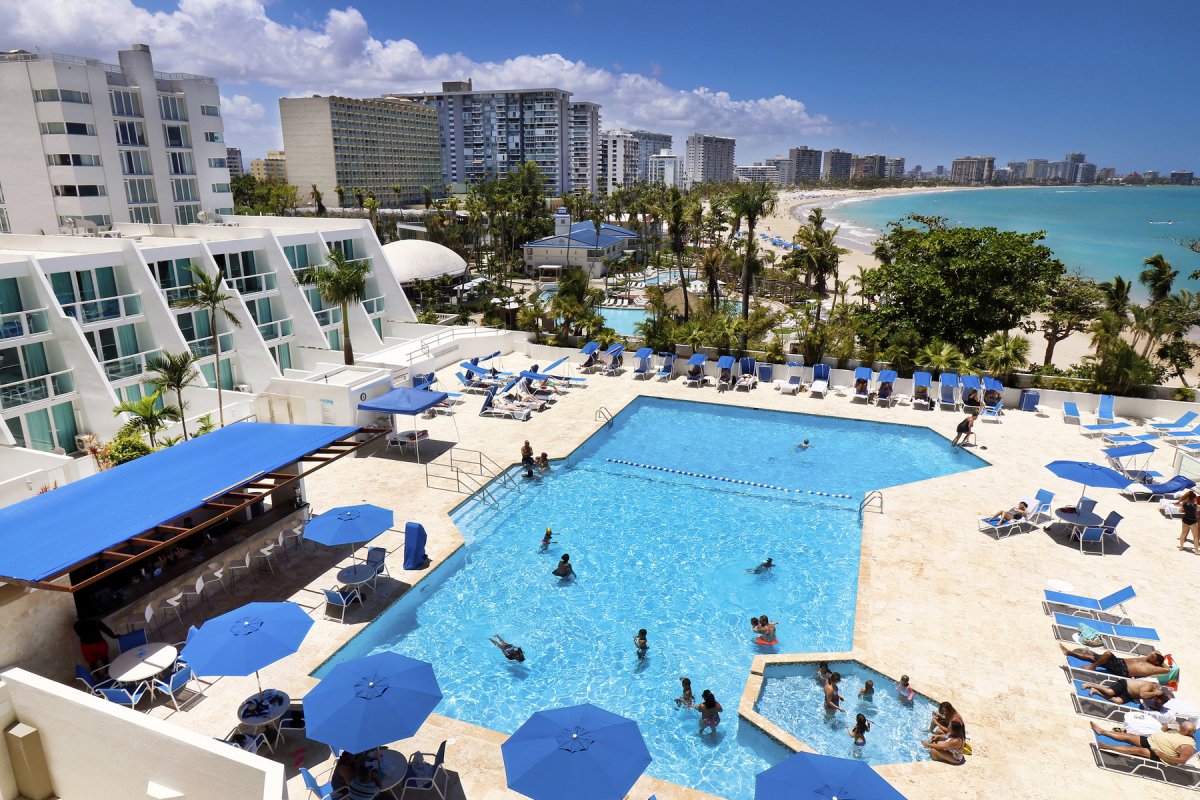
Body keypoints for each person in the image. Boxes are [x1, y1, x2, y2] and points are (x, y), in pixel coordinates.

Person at [1091, 720, 1197, 764]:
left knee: (1136, 750)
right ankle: (1102, 731)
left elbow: (1182, 761)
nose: (1180, 728)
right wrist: (1170, 724)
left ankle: (1106, 747)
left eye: (1182, 728)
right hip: (1151, 740)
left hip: (1159, 753)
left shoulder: (1189, 745)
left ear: (1188, 732)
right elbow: (1163, 728)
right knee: (1129, 736)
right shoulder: (1178, 729)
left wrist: (1162, 755)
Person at [1059, 645, 1172, 679]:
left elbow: (1167, 669)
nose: (1150, 654)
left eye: (1152, 656)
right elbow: (1157, 650)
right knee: (1091, 656)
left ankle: (1091, 667)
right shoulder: (1147, 658)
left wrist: (1160, 661)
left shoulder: (1153, 668)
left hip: (1123, 670)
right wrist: (1158, 657)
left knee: (1107, 654)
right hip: (1119, 662)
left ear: (1156, 662)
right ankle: (1069, 653)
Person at [1081, 677, 1170, 709]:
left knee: (1118, 701)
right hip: (1124, 685)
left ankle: (1096, 691)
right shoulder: (1150, 686)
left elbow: (1148, 702)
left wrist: (1158, 707)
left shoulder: (1153, 696)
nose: (1155, 701)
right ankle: (1090, 684)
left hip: (1129, 695)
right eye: (1157, 701)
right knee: (1110, 692)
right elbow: (1142, 694)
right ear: (1158, 696)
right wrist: (1155, 694)